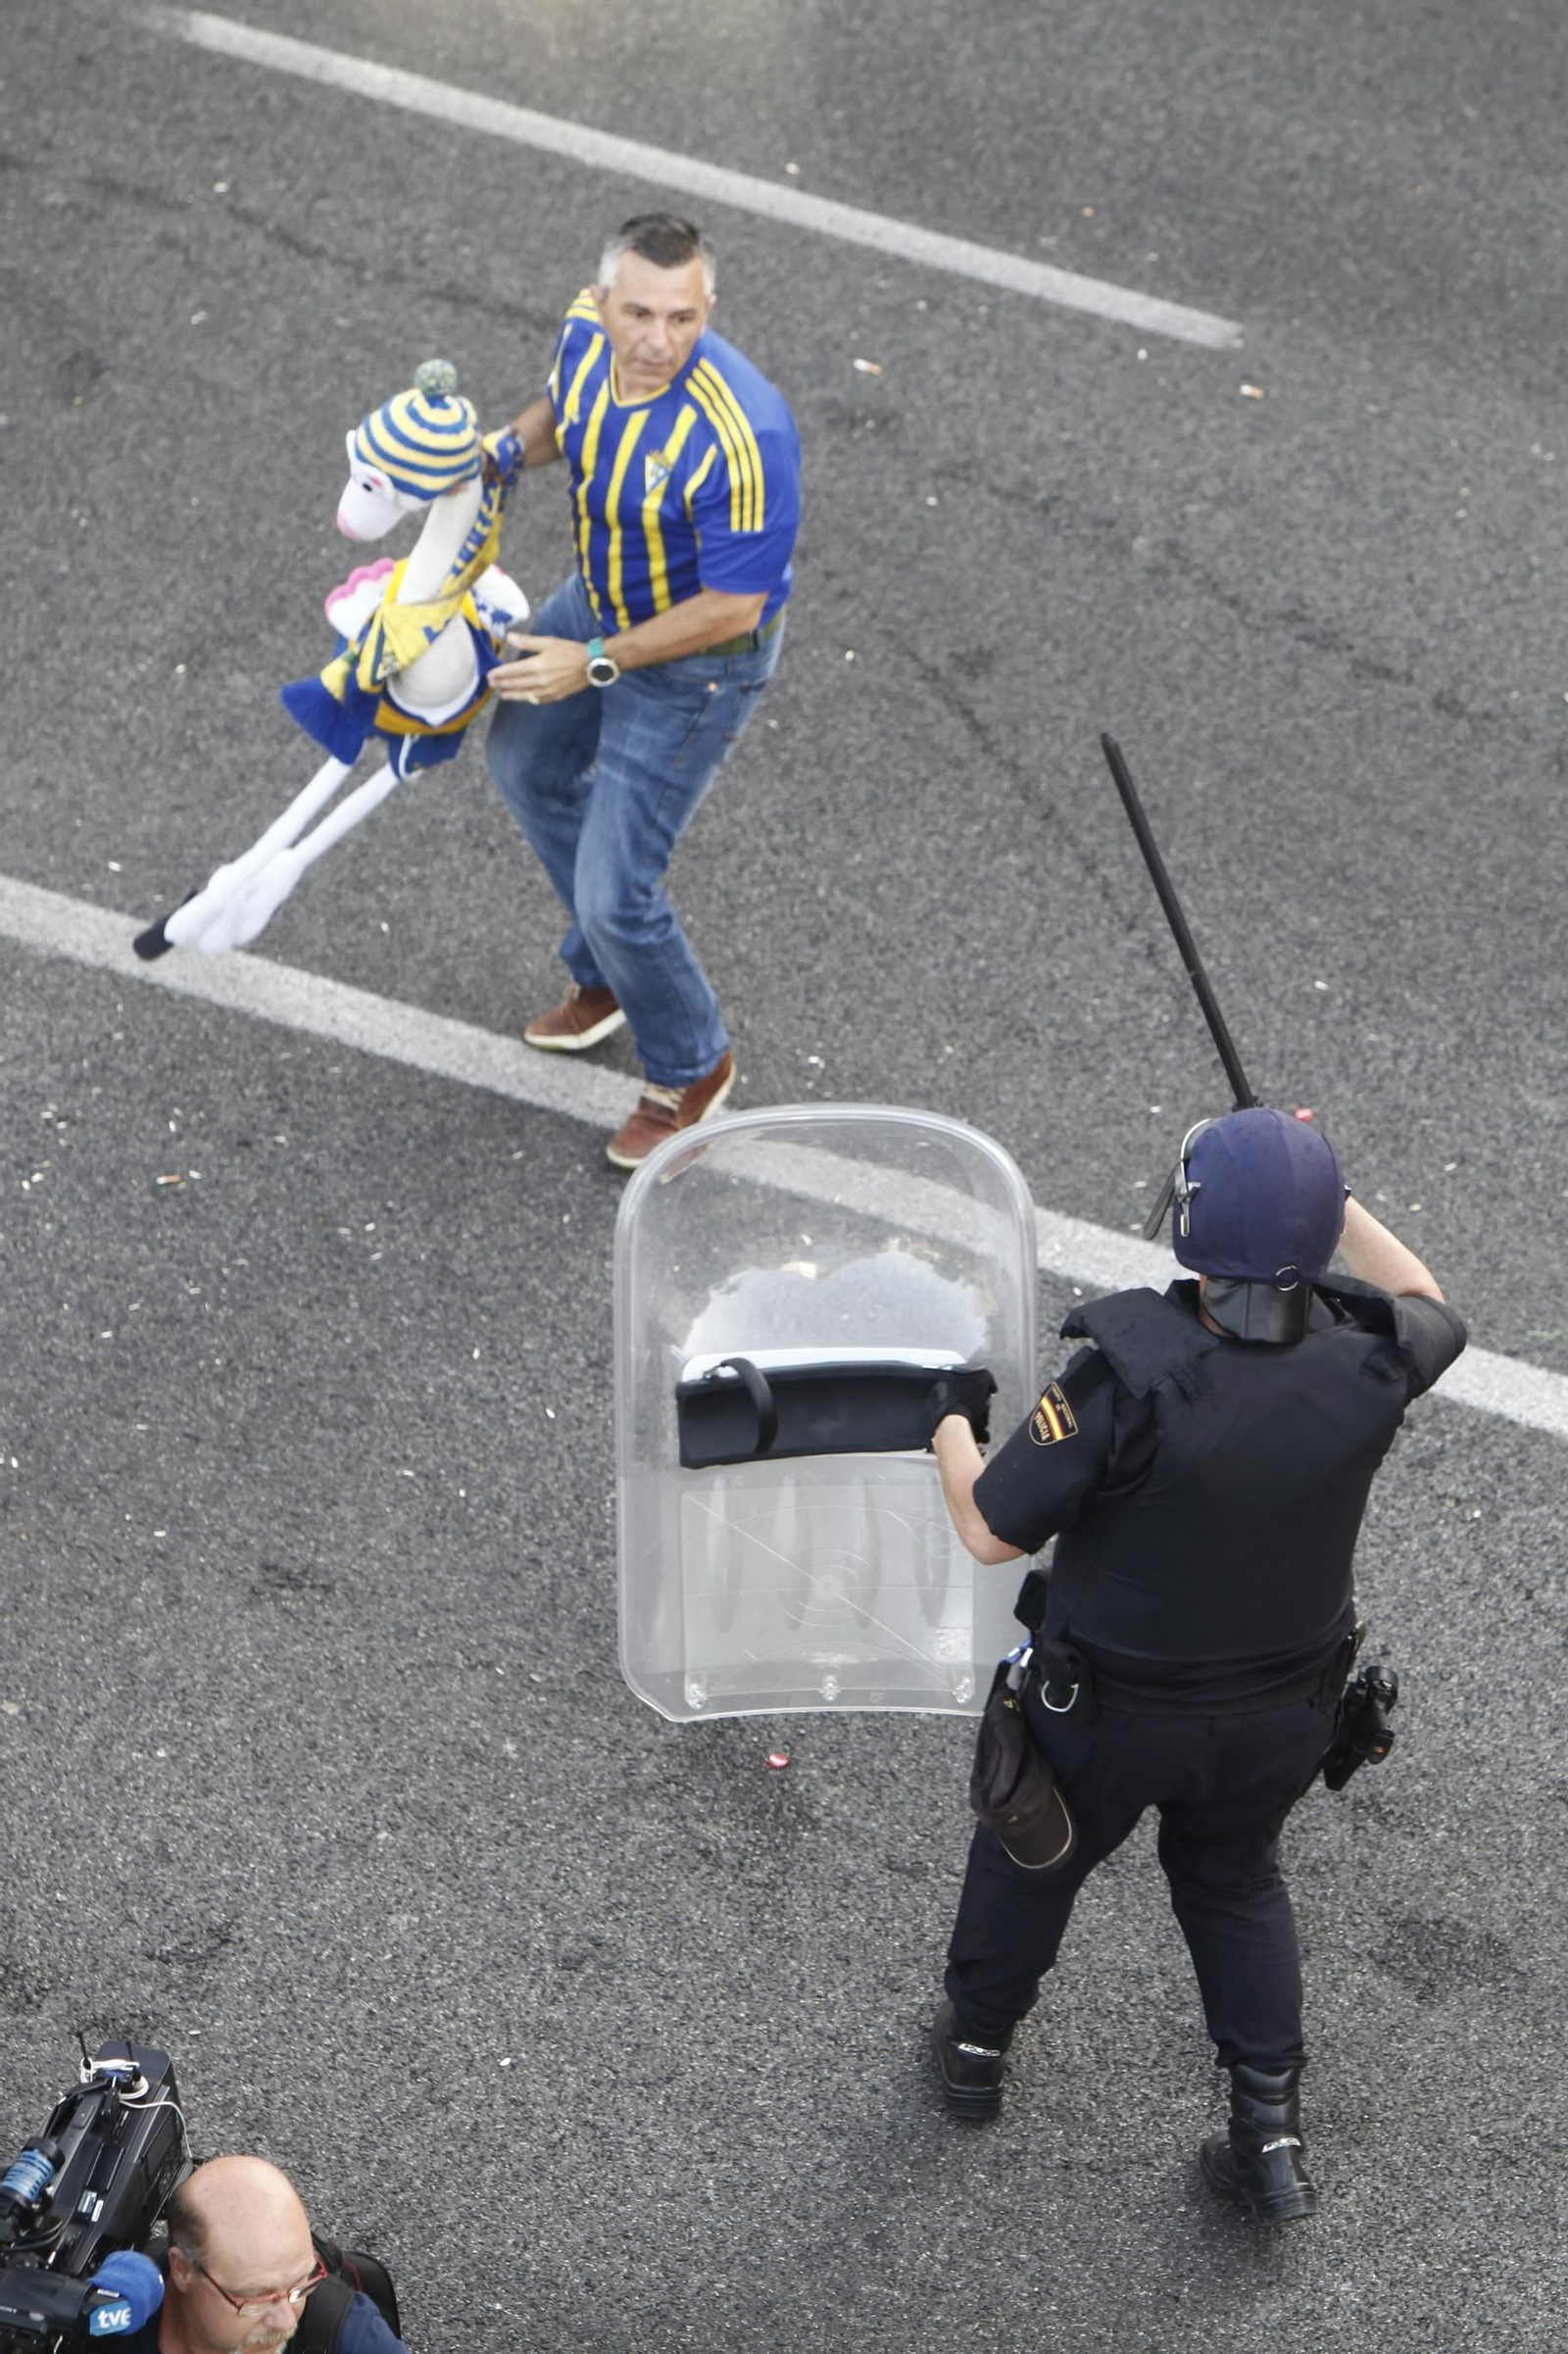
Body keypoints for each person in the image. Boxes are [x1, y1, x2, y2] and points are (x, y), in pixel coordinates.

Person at [923, 1107, 1467, 2222]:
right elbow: (1430, 1303)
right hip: (1280, 1714)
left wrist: (949, 1421)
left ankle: (975, 2050)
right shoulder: (1368, 1359)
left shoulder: (1126, 1376)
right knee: (1233, 1880)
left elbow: (989, 1528)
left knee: (1035, 1856)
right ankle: (1268, 2134)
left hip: (1108, 1716)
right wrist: (1325, 1194)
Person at [483, 212, 802, 1169]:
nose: (656, 341)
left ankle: (691, 1061)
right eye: (638, 314)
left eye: (681, 317)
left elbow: (737, 607)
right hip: (606, 595)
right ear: (605, 299)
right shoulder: (586, 335)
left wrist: (595, 661)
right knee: (523, 760)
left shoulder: (745, 431)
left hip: (697, 657)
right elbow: (561, 415)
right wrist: (497, 452)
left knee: (619, 888)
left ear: (708, 306)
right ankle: (612, 975)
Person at [124, 2156, 404, 2354]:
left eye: (301, 2283)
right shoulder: (112, 2318)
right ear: (183, 2270)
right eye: (257, 2297)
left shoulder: (347, 2335)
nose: (287, 2322)